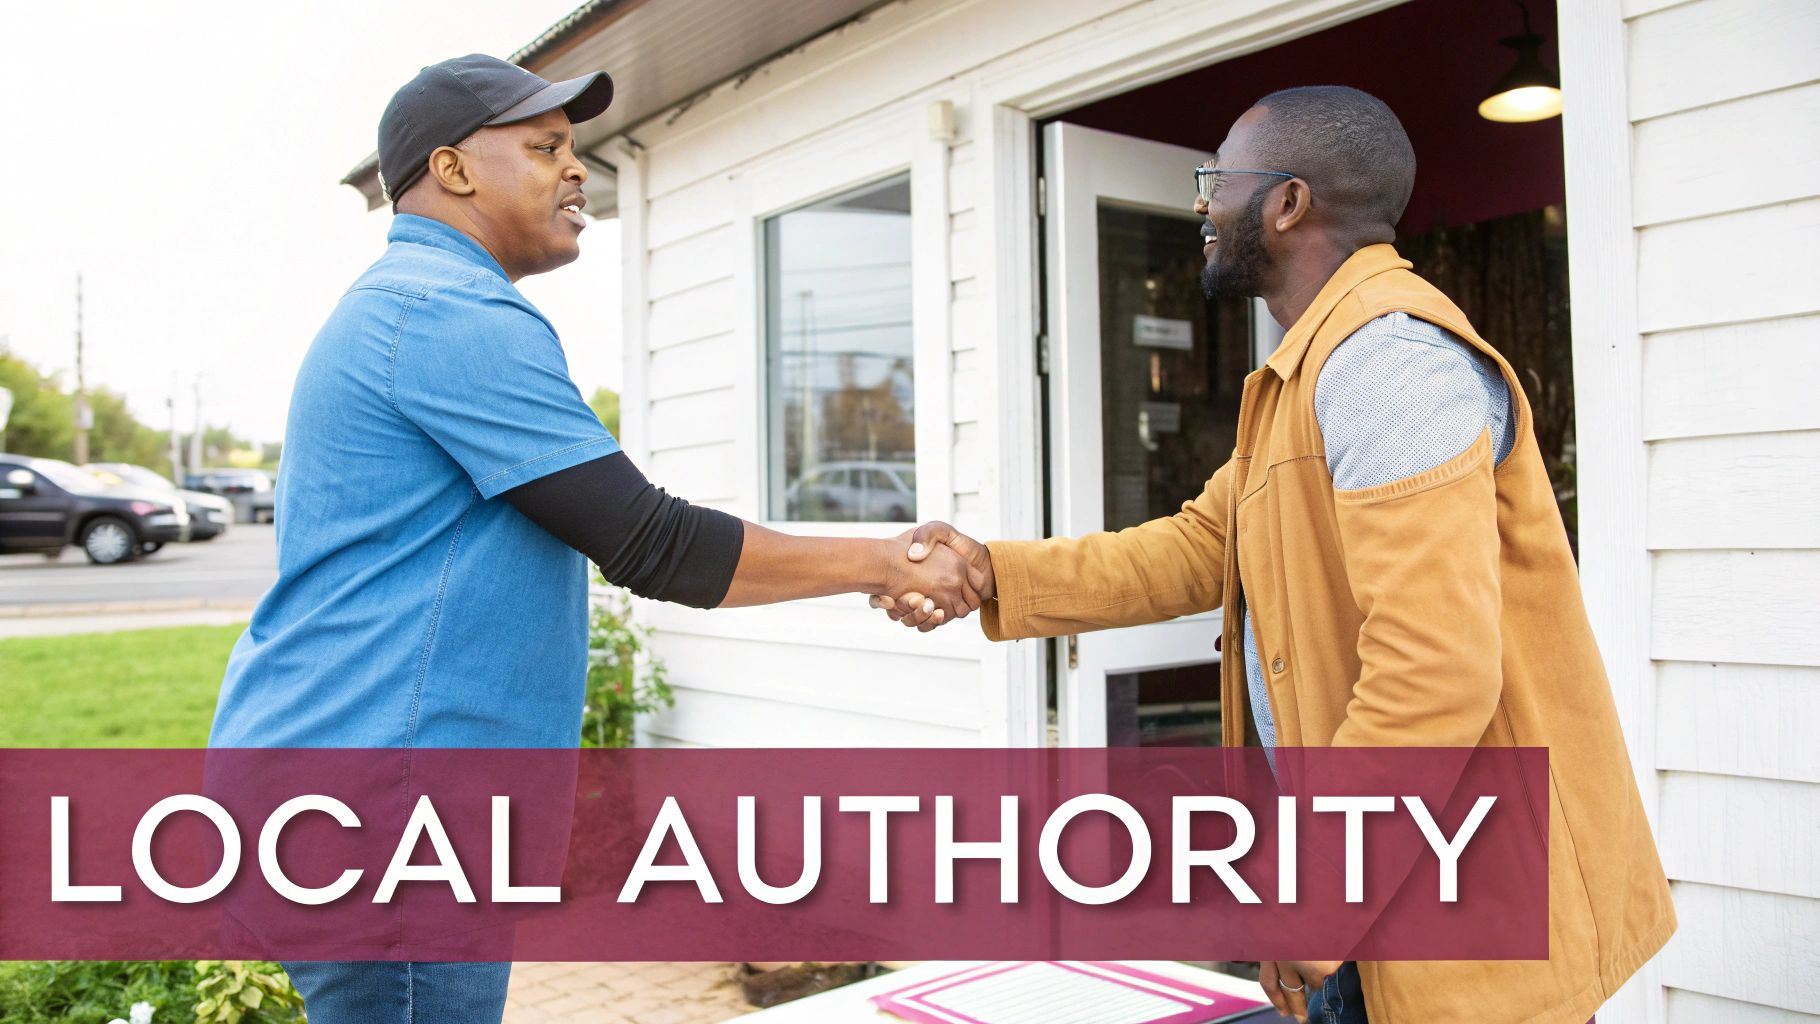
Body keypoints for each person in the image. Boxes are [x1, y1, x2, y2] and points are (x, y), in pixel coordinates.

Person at [207, 54, 983, 1023]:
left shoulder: (410, 307)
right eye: (544, 149)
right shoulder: (445, 311)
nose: (576, 170)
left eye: (574, 150)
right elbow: (649, 540)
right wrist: (882, 560)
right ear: (450, 171)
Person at [875, 86, 1672, 1024]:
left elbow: (1434, 671)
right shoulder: (1309, 373)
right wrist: (992, 571)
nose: (1202, 204)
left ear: (1288, 203)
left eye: (1217, 179)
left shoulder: (1390, 366)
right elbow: (1195, 547)